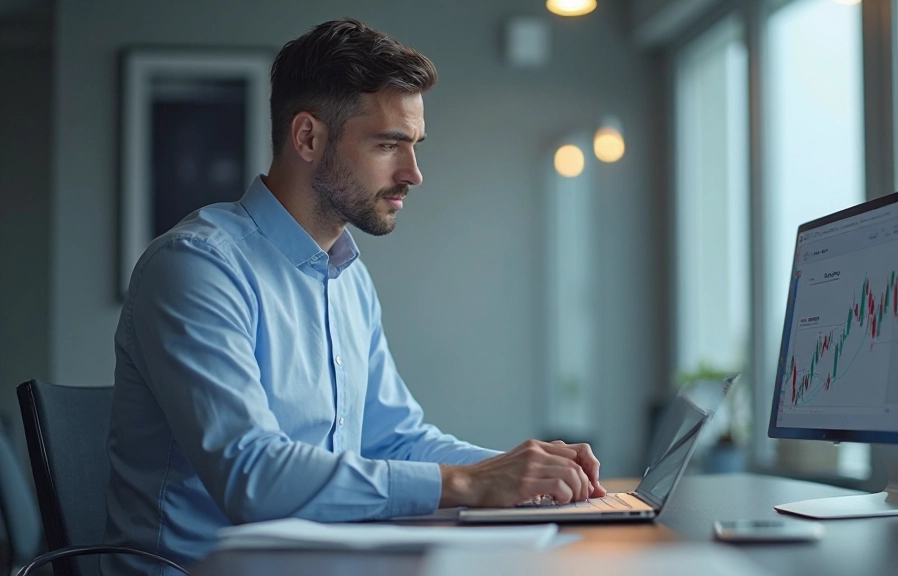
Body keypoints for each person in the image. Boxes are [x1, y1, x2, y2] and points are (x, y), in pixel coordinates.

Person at [102, 18, 605, 575]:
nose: (414, 174)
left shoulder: (346, 277)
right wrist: (465, 483)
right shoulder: (197, 267)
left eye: (414, 146)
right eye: (389, 144)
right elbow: (252, 477)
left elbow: (395, 440)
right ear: (308, 138)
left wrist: (527, 472)